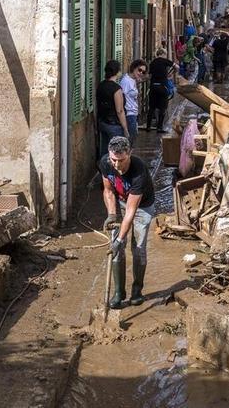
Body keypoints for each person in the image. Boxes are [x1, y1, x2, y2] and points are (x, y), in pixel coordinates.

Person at [99, 136, 156, 309]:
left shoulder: (139, 171)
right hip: (121, 202)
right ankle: (118, 292)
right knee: (116, 251)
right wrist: (111, 214)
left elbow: (132, 211)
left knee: (137, 249)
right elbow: (108, 191)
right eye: (113, 160)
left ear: (130, 153)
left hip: (142, 207)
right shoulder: (105, 163)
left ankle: (137, 290)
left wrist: (120, 239)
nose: (116, 165)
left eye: (121, 160)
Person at [96, 60, 129, 156]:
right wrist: (125, 128)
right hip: (114, 124)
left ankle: (104, 170)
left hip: (102, 122)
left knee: (105, 152)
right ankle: (113, 171)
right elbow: (120, 110)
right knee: (116, 153)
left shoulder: (101, 85)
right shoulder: (116, 89)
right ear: (117, 72)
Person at [119, 59, 147, 144]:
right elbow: (121, 98)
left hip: (133, 114)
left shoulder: (132, 80)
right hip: (129, 115)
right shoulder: (126, 81)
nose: (141, 73)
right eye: (139, 70)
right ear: (134, 68)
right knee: (129, 141)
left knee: (132, 140)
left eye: (143, 72)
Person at [147, 48, 174, 132]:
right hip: (163, 87)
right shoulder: (165, 61)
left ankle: (148, 127)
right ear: (163, 54)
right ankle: (159, 127)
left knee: (151, 107)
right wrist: (170, 74)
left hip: (153, 87)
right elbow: (176, 66)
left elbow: (149, 75)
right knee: (162, 108)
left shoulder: (152, 62)